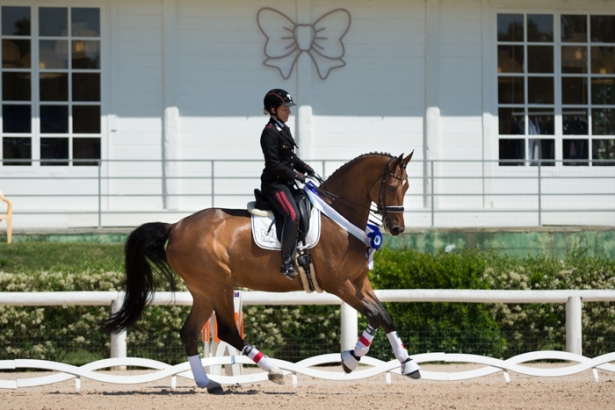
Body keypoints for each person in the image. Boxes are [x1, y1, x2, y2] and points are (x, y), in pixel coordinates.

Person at [260, 89, 315, 279]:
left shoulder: (282, 128)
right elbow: (273, 164)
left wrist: (307, 168)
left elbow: (290, 157)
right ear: (273, 110)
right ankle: (286, 262)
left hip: (287, 182)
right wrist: (296, 174)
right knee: (292, 215)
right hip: (275, 185)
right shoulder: (269, 133)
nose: (289, 112)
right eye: (285, 109)